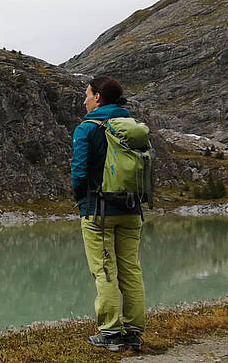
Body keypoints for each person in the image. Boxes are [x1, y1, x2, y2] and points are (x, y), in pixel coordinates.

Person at [71, 76, 145, 352]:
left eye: (87, 94)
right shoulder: (132, 128)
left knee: (105, 271)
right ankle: (133, 332)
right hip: (132, 209)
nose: (85, 100)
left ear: (98, 97)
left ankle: (111, 332)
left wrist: (81, 200)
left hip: (98, 210)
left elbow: (79, 172)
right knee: (131, 269)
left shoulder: (87, 128)